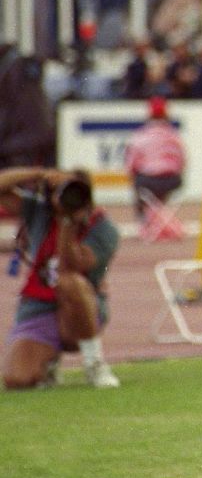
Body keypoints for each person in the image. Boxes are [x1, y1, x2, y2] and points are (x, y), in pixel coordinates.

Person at [1, 167, 120, 390]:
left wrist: (67, 223)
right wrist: (39, 174)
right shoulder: (39, 212)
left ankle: (94, 363)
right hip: (38, 306)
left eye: (75, 191)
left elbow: (70, 266)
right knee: (17, 380)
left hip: (81, 312)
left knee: (69, 282)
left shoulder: (104, 228)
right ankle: (47, 362)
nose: (68, 198)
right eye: (61, 191)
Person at [124, 96, 185, 228]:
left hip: (148, 181)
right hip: (172, 181)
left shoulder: (140, 136)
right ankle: (161, 219)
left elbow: (131, 165)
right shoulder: (174, 135)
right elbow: (182, 162)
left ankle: (144, 221)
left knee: (139, 184)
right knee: (161, 187)